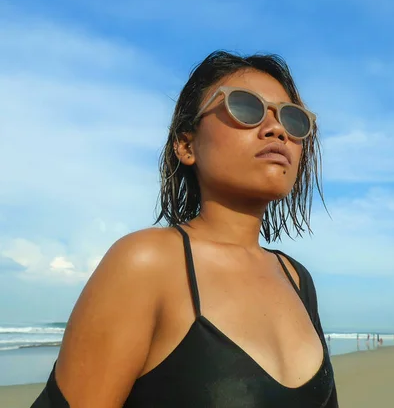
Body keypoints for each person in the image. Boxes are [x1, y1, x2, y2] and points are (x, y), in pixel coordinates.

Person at [32, 51, 338, 407]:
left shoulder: (297, 280)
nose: (277, 129)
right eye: (245, 107)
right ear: (186, 144)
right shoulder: (146, 263)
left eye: (293, 119)